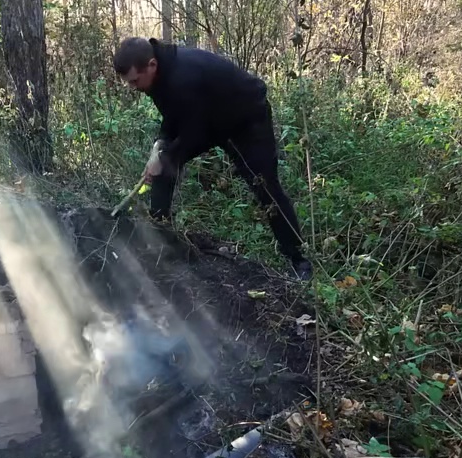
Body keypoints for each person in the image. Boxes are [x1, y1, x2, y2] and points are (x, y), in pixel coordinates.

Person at [112, 37, 312, 280]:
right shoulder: (157, 78)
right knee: (164, 167)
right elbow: (173, 117)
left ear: (151, 65)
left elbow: (195, 133)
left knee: (266, 188)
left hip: (246, 121)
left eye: (135, 80)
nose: (133, 87)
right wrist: (159, 147)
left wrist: (167, 156)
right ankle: (160, 240)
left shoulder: (182, 77)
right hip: (209, 119)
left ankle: (299, 261)